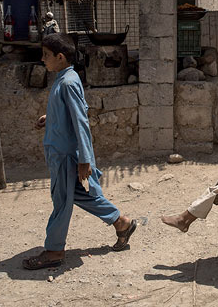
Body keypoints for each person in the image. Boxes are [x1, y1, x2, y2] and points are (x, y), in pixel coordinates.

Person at [23, 33, 137, 270]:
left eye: (46, 55)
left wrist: (85, 158)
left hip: (66, 157)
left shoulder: (67, 82)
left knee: (62, 201)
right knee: (78, 195)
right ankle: (122, 222)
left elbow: (81, 121)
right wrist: (51, 118)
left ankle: (54, 251)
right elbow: (69, 113)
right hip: (60, 154)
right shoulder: (65, 78)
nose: (42, 59)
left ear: (60, 57)